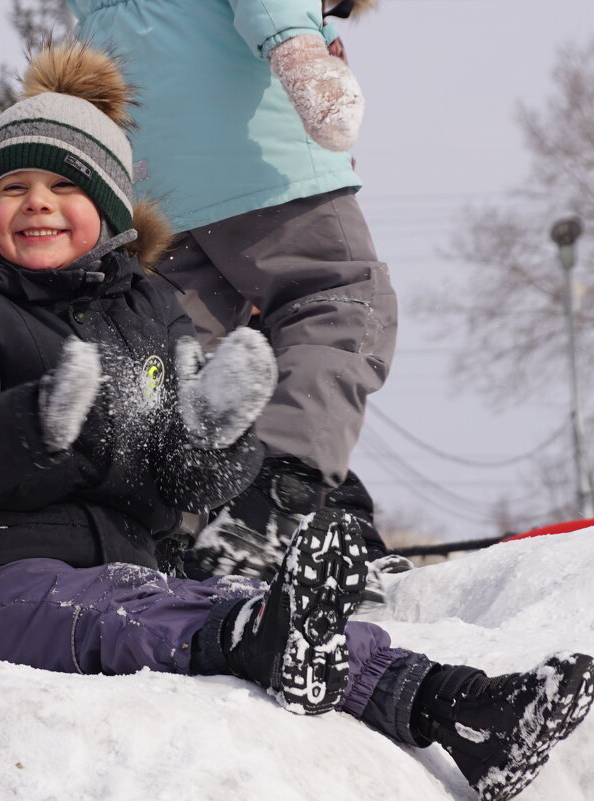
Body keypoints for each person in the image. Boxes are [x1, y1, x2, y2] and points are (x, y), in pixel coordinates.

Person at [0, 43, 594, 801]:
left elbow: (180, 486)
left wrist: (213, 437)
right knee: (136, 617)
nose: (36, 202)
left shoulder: (149, 310)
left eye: (64, 184)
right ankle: (256, 638)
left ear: (111, 207)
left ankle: (454, 705)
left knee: (244, 612)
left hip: (130, 573)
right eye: (14, 186)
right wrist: (38, 422)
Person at [64, 0, 395, 582]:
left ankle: (177, 535)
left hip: (148, 181)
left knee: (186, 362)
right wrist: (304, 52)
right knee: (338, 300)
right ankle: (277, 498)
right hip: (261, 168)